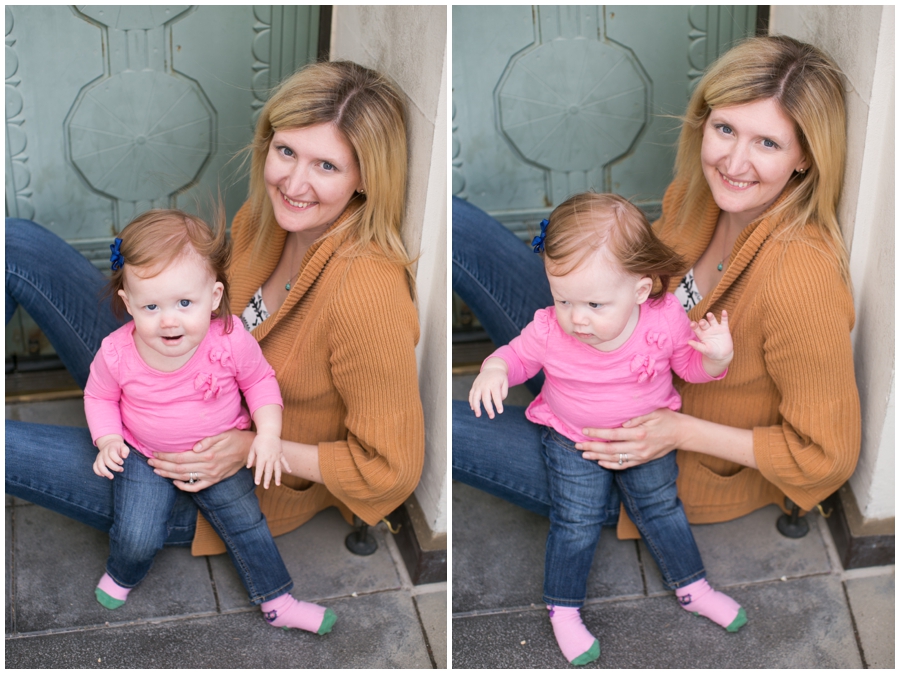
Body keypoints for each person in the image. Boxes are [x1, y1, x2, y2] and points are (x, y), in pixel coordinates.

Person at [453, 33, 860, 649]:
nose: (734, 162)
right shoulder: (698, 201)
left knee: (438, 426)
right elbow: (617, 286)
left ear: (805, 158)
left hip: (640, 448)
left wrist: (677, 432)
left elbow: (827, 455)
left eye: (768, 143)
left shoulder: (802, 278)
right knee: (457, 226)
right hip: (586, 345)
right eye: (725, 130)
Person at [6, 60, 424, 627]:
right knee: (17, 243)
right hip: (152, 361)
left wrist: (253, 445)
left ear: (365, 177)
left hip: (194, 471)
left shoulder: (367, 294)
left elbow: (393, 468)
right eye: (286, 152)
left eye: (326, 165)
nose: (294, 183)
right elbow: (194, 292)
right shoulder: (269, 217)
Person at [468, 193, 745, 665]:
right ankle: (563, 607)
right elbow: (517, 355)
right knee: (574, 525)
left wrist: (716, 356)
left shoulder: (664, 321)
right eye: (563, 299)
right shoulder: (551, 330)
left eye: (595, 303)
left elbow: (689, 367)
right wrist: (495, 368)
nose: (578, 318)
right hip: (573, 439)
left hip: (647, 435)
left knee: (662, 508)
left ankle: (692, 586)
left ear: (640, 290)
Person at [87, 209, 335, 634]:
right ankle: (123, 572)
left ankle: (278, 600)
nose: (169, 320)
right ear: (128, 303)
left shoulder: (229, 337)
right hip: (147, 456)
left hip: (221, 451)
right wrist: (108, 439)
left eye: (185, 303)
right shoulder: (116, 352)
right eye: (151, 306)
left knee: (247, 525)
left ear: (214, 297)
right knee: (137, 532)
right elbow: (99, 396)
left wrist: (269, 435)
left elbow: (260, 382)